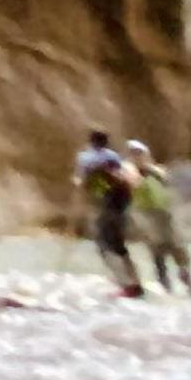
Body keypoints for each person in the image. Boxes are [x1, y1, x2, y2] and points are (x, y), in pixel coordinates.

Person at [74, 125, 142, 296]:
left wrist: (77, 182)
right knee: (119, 245)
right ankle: (135, 283)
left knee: (103, 245)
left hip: (108, 203)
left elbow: (81, 180)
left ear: (91, 141)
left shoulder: (86, 157)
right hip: (122, 203)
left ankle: (126, 285)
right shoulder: (113, 156)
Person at [125, 140, 191, 293]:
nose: (137, 157)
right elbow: (132, 184)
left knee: (176, 247)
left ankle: (186, 281)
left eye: (139, 153)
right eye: (134, 154)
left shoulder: (155, 171)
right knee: (157, 250)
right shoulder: (130, 172)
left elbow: (166, 182)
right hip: (147, 214)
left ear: (146, 155)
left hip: (164, 213)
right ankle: (166, 286)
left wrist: (150, 170)